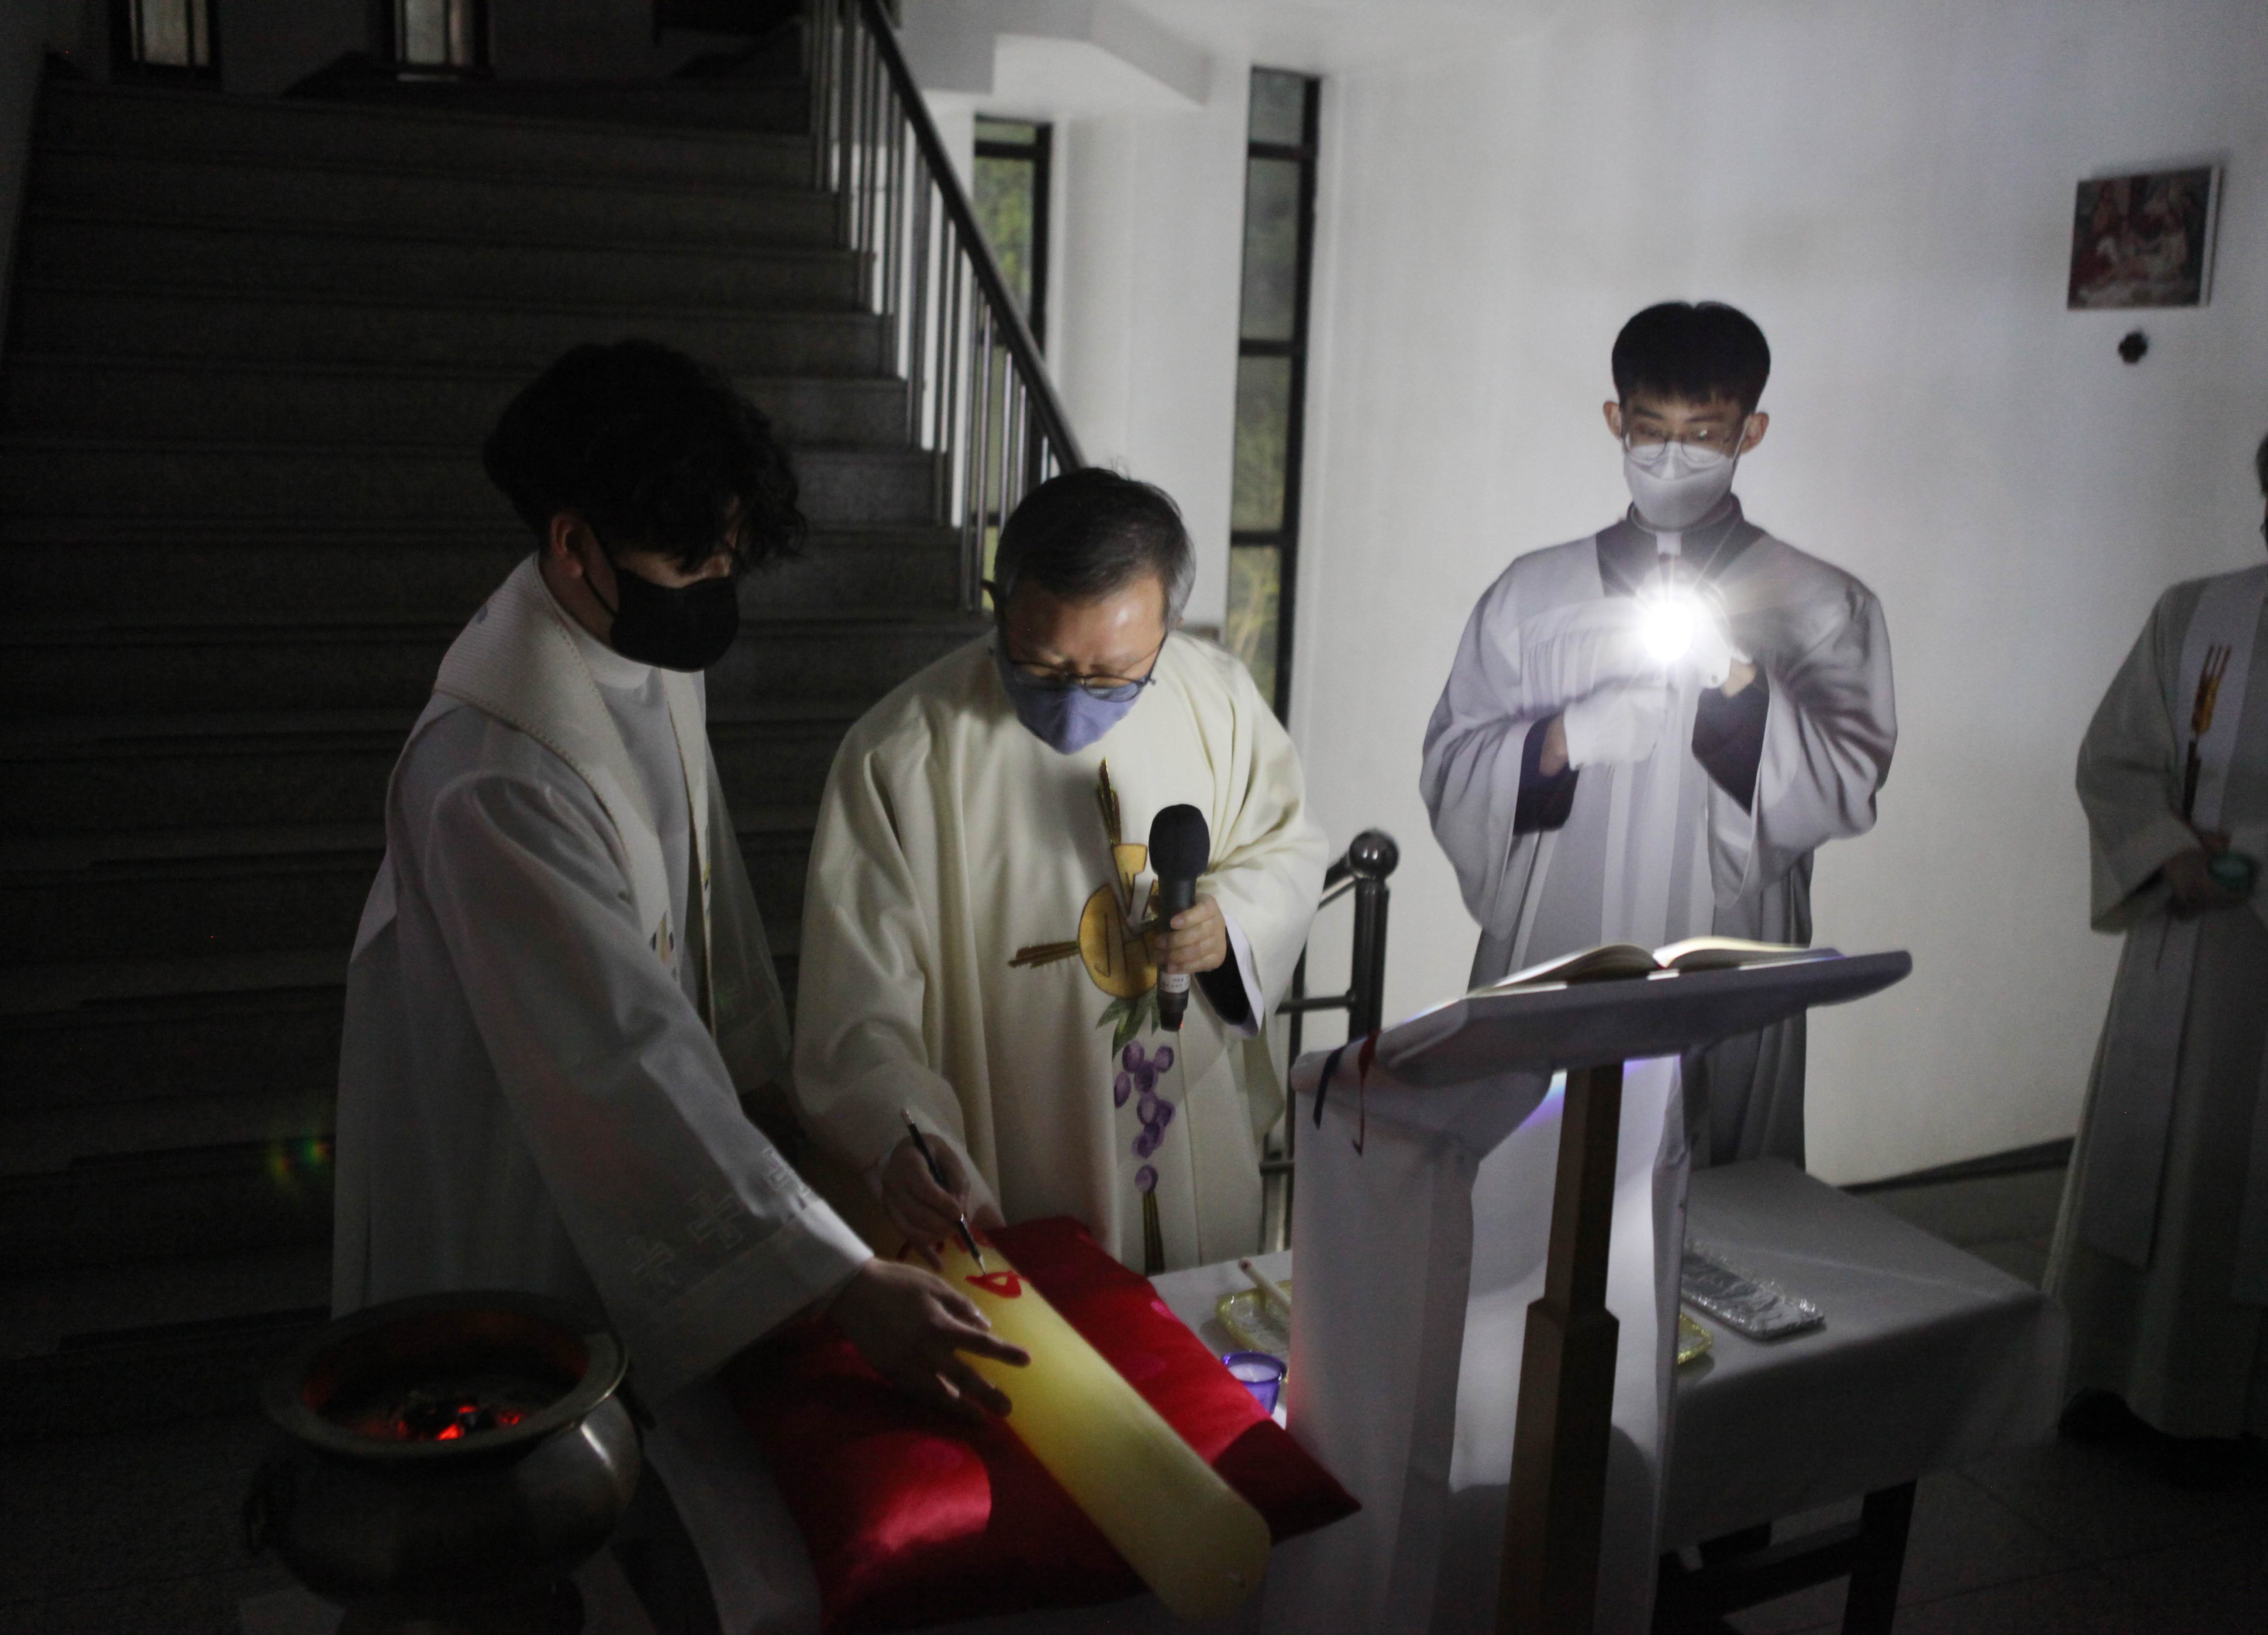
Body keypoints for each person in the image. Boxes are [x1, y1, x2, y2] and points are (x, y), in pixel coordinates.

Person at [332, 340, 1026, 1619]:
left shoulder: (633, 648)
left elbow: (705, 919)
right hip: (517, 1150)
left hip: (612, 1094)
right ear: (573, 544)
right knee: (514, 1524)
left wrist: (796, 1119)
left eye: (728, 558)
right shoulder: (496, 771)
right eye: (691, 564)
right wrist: (838, 1281)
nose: (714, 590)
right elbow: (616, 1055)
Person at [791, 469, 1325, 1276]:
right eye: (1044, 666)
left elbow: (1285, 844)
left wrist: (1232, 927)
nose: (1077, 699)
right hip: (1017, 1139)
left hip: (1189, 1104)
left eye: (1114, 675)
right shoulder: (900, 756)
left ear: (1169, 625)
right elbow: (859, 1001)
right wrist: (902, 1134)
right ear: (998, 605)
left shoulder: (1216, 698)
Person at [1420, 300, 1896, 1165]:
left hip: (1725, 950)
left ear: (1750, 432)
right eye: (1652, 431)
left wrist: (1738, 682)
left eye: (1703, 434)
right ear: (1617, 421)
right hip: (1560, 947)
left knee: (1713, 1191)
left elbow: (1844, 786)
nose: (1673, 457)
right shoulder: (1533, 595)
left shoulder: (1822, 603)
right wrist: (1561, 741)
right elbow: (1450, 768)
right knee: (1536, 1176)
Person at [2050, 406, 2268, 1461]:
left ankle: (2266, 1414)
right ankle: (2112, 1377)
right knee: (2157, 1167)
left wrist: (2243, 856)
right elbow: (2116, 758)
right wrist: (2168, 853)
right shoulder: (2194, 613)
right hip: (2188, 935)